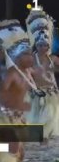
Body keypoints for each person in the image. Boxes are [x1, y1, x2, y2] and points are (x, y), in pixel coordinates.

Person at [0, 26, 33, 162]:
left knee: (20, 153)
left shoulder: (27, 71)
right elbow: (0, 93)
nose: (30, 56)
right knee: (13, 148)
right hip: (5, 116)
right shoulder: (12, 73)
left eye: (30, 53)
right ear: (17, 57)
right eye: (26, 54)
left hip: (18, 116)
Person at [25, 8, 59, 143]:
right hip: (38, 93)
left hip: (52, 93)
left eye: (45, 45)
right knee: (36, 116)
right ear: (36, 46)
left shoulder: (53, 58)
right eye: (40, 45)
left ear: (48, 46)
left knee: (51, 114)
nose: (43, 48)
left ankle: (45, 134)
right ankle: (41, 134)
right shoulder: (32, 59)